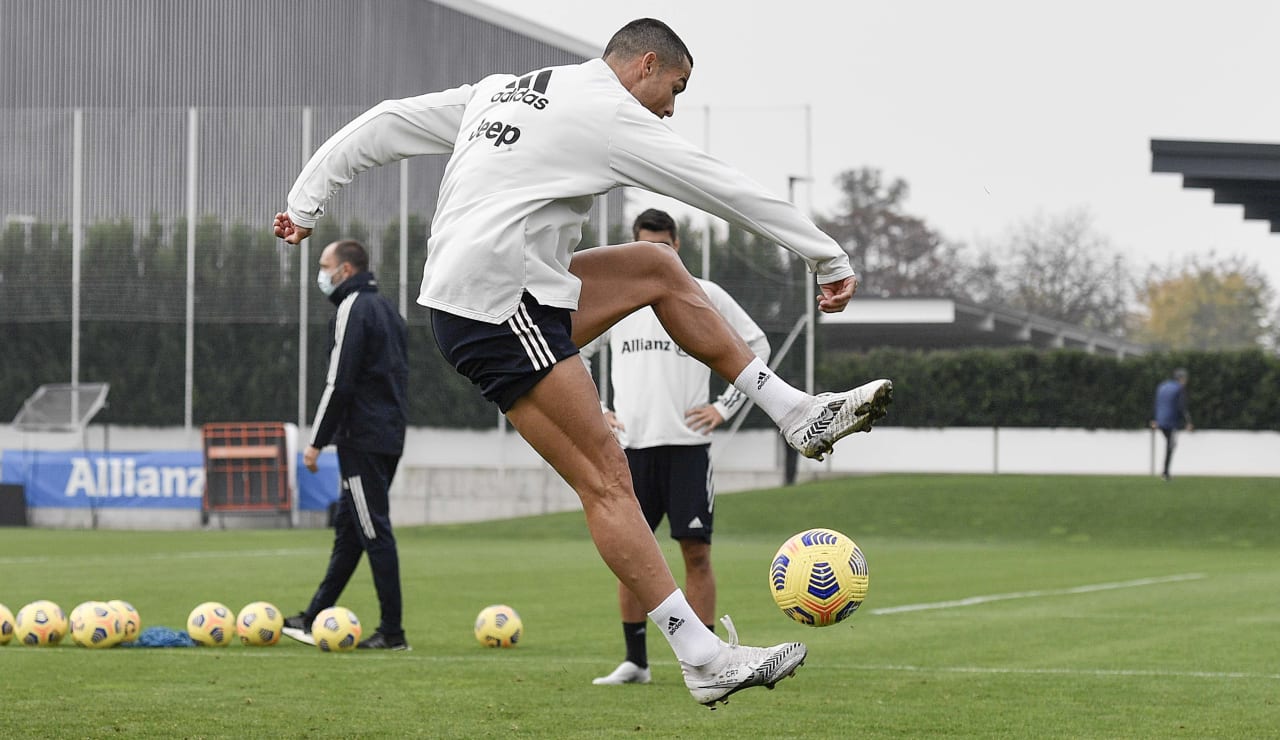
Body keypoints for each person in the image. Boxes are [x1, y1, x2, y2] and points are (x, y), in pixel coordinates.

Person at [272, 18, 892, 706]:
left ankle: (796, 412)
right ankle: (703, 656)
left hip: (498, 296)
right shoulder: (608, 113)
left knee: (657, 267)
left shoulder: (504, 91)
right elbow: (718, 184)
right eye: (675, 89)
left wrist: (306, 199)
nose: (671, 108)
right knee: (608, 479)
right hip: (499, 303)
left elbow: (386, 120)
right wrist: (824, 254)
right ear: (646, 65)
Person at [582, 208, 769, 686]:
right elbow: (571, 351)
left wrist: (724, 407)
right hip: (631, 450)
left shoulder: (704, 294)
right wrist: (598, 409)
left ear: (676, 247)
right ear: (634, 248)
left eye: (664, 247)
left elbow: (757, 344)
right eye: (648, 247)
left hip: (688, 447)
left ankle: (705, 661)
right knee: (630, 559)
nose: (657, 255)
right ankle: (636, 662)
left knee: (697, 554)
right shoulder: (617, 300)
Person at [280, 239, 411, 651]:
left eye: (325, 266)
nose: (321, 274)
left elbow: (340, 382)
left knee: (373, 530)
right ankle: (314, 615)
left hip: (362, 438)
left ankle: (393, 634)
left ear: (346, 271)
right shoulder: (389, 310)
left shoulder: (353, 307)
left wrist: (317, 441)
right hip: (388, 434)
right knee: (351, 531)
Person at [1150, 368, 1192, 481]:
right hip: (1171, 421)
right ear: (1181, 378)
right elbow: (1181, 407)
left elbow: (1156, 403)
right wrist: (1188, 422)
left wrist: (1154, 419)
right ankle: (1165, 473)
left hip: (1160, 421)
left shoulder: (1162, 386)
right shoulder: (1179, 388)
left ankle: (1165, 472)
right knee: (1171, 445)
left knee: (1169, 444)